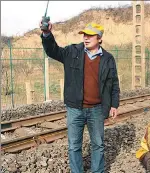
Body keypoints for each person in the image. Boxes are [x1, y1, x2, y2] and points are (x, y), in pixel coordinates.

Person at [40, 21, 120, 173]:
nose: (86, 38)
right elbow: (52, 51)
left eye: (90, 35)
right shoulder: (73, 51)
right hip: (75, 109)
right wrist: (46, 34)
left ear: (99, 38)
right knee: (74, 146)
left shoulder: (108, 59)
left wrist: (114, 104)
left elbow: (114, 83)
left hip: (97, 109)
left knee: (98, 144)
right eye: (84, 34)